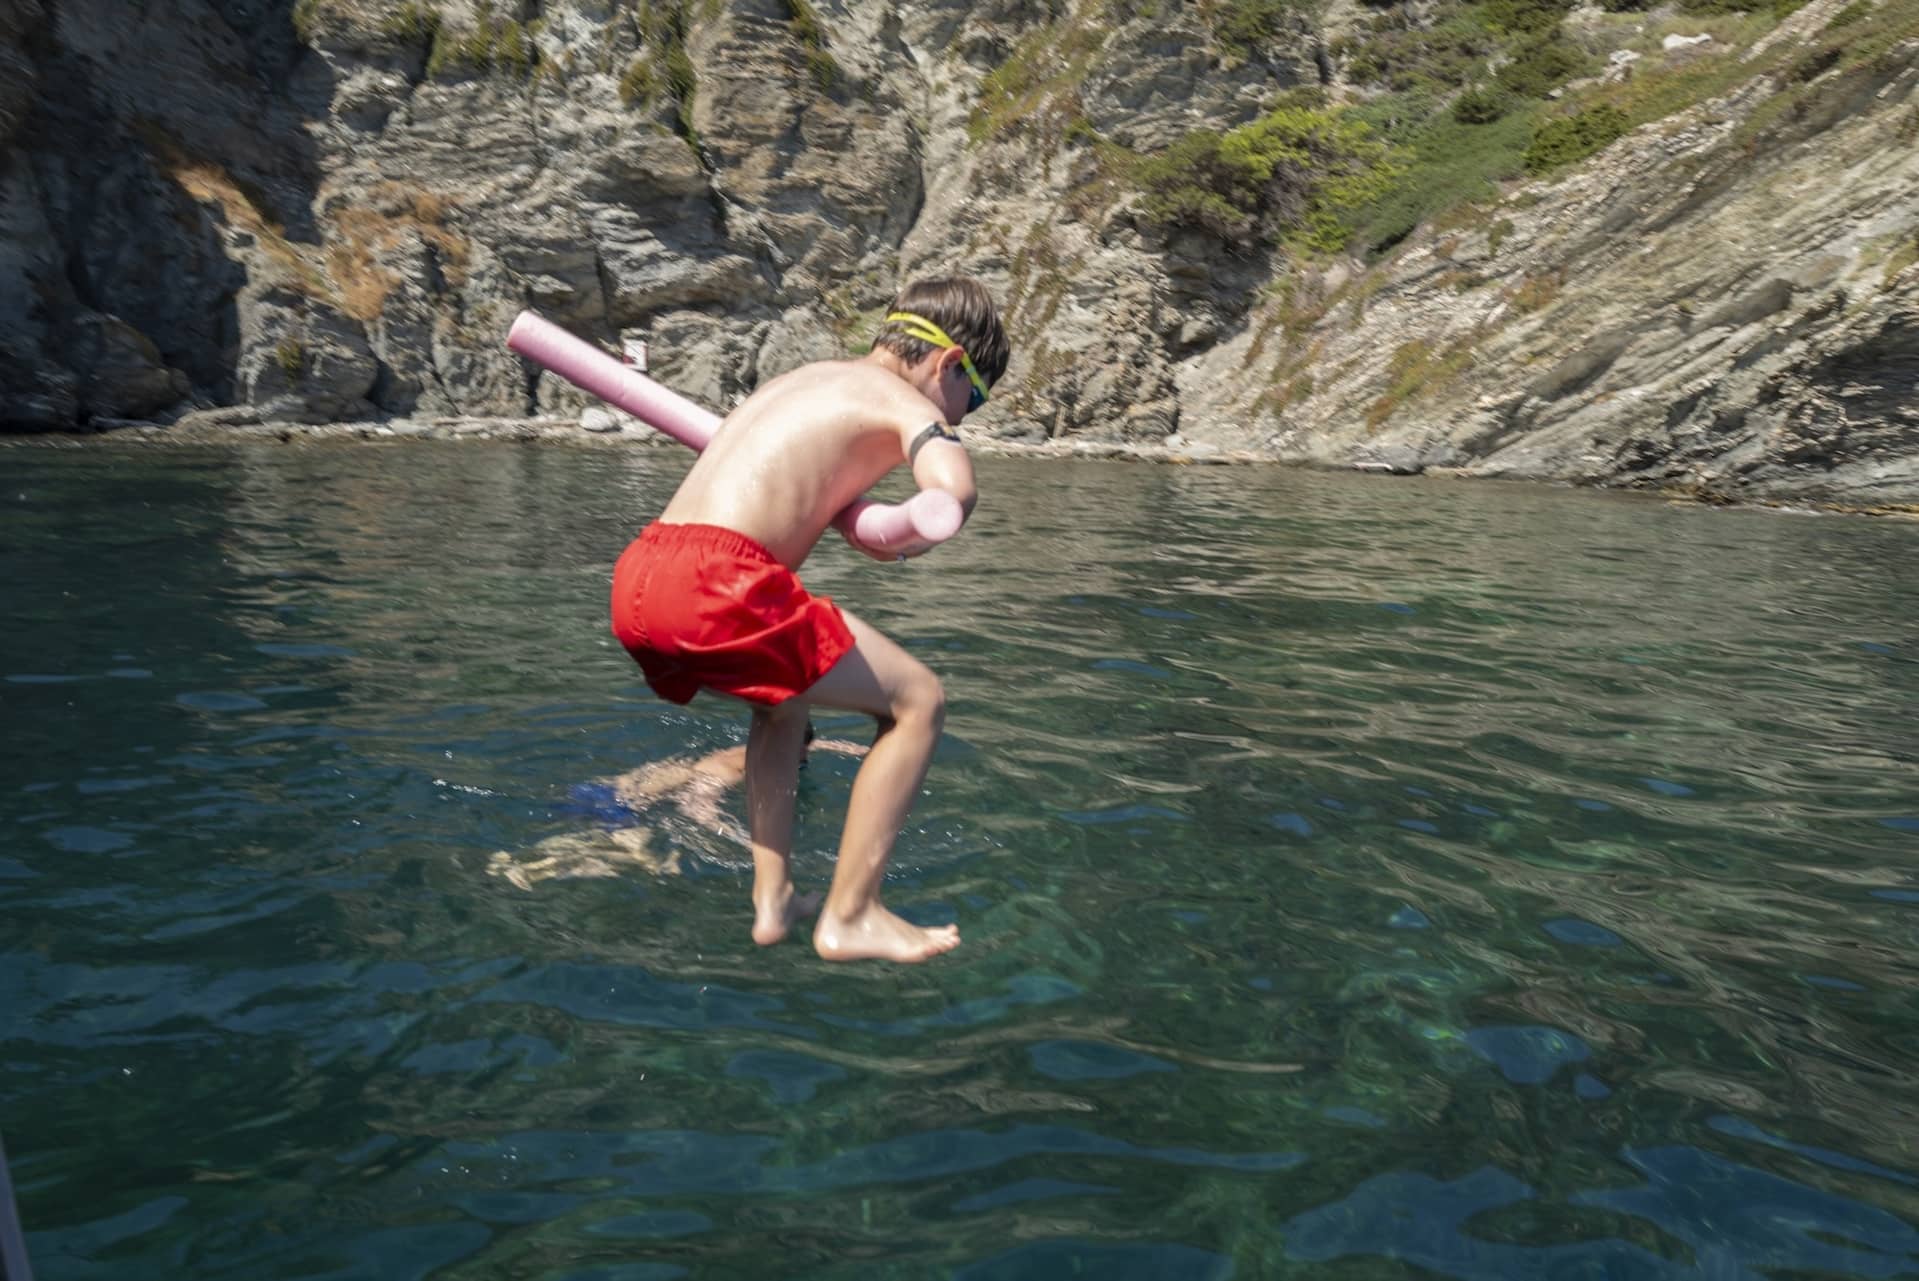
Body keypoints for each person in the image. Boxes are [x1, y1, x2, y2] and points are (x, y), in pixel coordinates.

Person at [609, 277, 1009, 964]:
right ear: (948, 364)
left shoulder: (806, 380)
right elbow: (954, 486)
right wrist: (930, 517)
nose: (962, 416)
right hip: (716, 580)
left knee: (783, 710)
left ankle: (773, 900)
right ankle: (852, 914)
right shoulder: (896, 398)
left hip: (642, 572)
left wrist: (885, 532)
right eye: (970, 398)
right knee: (918, 702)